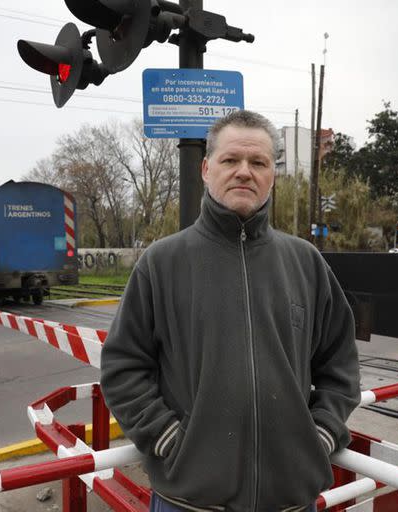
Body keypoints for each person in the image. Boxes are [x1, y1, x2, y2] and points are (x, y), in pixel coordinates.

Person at [100, 110, 361, 512]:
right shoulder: (161, 263)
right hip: (188, 501)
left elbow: (339, 363)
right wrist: (167, 437)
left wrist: (322, 432)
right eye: (230, 160)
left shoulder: (305, 262)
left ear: (273, 174)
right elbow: (123, 366)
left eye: (258, 162)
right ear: (206, 169)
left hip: (290, 501)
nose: (244, 172)